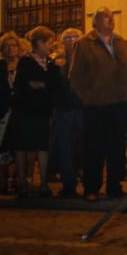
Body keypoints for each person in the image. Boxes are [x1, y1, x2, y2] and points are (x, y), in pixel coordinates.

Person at [70, 7, 127, 201]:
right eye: (105, 18)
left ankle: (114, 185)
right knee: (94, 147)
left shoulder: (120, 42)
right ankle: (92, 187)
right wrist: (87, 97)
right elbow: (75, 75)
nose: (110, 21)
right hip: (96, 105)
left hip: (119, 102)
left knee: (117, 147)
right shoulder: (84, 44)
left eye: (112, 18)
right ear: (95, 22)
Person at [11, 26, 62, 196]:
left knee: (42, 147)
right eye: (49, 43)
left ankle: (43, 183)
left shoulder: (50, 64)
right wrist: (44, 84)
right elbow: (26, 86)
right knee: (22, 146)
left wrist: (43, 84)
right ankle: (21, 181)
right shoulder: (26, 62)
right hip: (25, 111)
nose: (51, 47)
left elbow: (54, 83)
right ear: (39, 43)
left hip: (43, 111)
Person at [50, 28, 83, 197]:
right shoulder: (57, 63)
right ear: (62, 42)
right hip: (63, 110)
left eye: (75, 37)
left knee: (81, 147)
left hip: (82, 109)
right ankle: (68, 184)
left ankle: (83, 179)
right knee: (64, 148)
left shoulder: (87, 61)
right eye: (68, 38)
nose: (72, 40)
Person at [0, 31, 21, 194]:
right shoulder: (0, 66)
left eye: (13, 45)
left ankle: (15, 180)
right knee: (2, 146)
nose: (10, 49)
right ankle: (2, 181)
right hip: (3, 111)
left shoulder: (23, 65)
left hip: (19, 111)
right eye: (7, 46)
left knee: (16, 146)